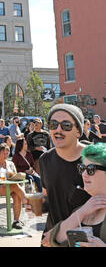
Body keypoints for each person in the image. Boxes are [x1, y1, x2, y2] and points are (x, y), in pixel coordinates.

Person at [37, 104, 91, 247]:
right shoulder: (45, 160)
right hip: (51, 239)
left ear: (78, 131)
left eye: (66, 125)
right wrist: (36, 205)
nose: (58, 129)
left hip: (84, 240)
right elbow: (49, 199)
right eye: (53, 124)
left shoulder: (94, 159)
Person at [48, 143, 106, 247]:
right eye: (82, 168)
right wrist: (81, 212)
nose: (84, 174)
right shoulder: (82, 210)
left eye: (91, 169)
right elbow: (56, 240)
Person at [0, 143, 28, 229]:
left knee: (16, 196)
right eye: (4, 153)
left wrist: (9, 174)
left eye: (7, 153)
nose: (6, 155)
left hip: (11, 187)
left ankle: (16, 221)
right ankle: (27, 201)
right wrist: (2, 174)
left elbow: (15, 176)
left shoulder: (10, 163)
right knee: (14, 186)